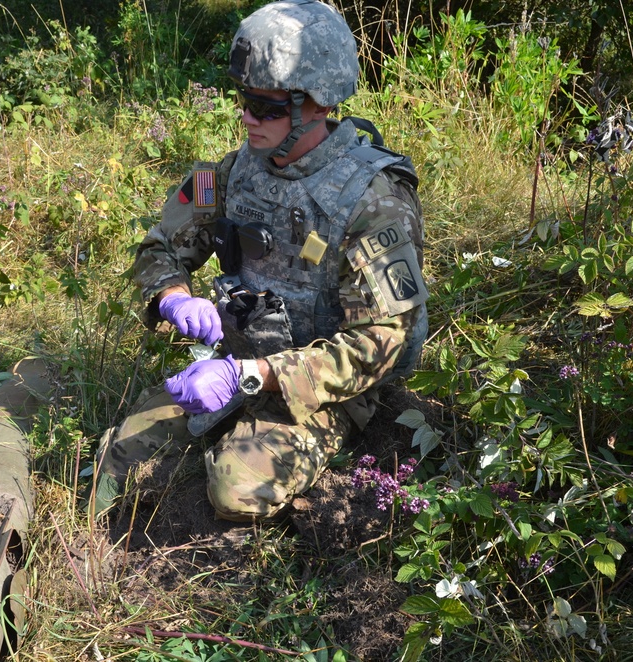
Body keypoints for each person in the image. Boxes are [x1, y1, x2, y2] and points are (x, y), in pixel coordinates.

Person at [92, 0, 428, 522]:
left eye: (266, 107)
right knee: (117, 460)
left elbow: (384, 341)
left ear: (316, 105)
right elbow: (160, 245)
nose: (246, 117)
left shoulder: (372, 198)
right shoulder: (229, 174)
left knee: (235, 491)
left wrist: (250, 377)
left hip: (322, 387)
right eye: (244, 100)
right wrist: (174, 297)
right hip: (237, 355)